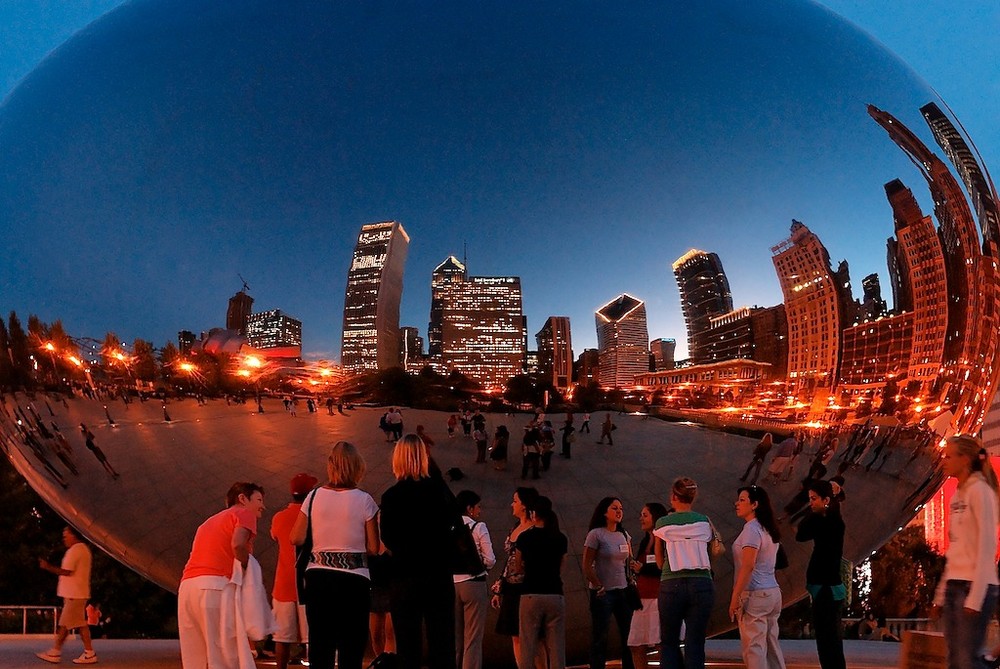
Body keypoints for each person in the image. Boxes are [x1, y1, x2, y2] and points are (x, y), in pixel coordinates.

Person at [290, 443, 379, 669]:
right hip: (354, 581)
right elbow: (373, 547)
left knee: (321, 647)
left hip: (319, 579)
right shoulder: (365, 500)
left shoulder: (313, 496)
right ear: (358, 467)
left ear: (330, 466)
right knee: (352, 647)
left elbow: (296, 537)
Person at [380, 434, 459, 669]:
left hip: (405, 578)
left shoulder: (392, 496)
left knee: (407, 645)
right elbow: (455, 528)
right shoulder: (440, 493)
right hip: (438, 576)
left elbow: (388, 538)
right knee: (442, 643)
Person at [177, 482, 266, 669]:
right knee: (223, 655)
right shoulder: (243, 513)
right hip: (214, 587)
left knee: (194, 657)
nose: (263, 506)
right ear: (242, 498)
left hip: (187, 589)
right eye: (259, 500)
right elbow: (237, 545)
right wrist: (248, 567)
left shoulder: (209, 522)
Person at [931, 434, 1000, 669]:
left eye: (949, 456)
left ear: (965, 459)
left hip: (974, 586)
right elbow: (956, 549)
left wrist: (976, 596)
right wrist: (941, 595)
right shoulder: (958, 495)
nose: (945, 461)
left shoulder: (981, 492)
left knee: (966, 661)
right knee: (955, 661)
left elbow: (986, 546)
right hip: (955, 586)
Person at [653, 477, 716, 669]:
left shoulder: (662, 523)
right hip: (702, 583)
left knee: (669, 642)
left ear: (673, 496)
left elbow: (658, 560)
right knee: (695, 642)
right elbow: (711, 552)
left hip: (671, 583)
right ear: (693, 497)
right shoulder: (704, 521)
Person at [728, 486, 786, 669]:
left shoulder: (752, 530)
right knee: (771, 646)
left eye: (742, 500)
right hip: (772, 592)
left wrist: (735, 597)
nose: (737, 503)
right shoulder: (768, 529)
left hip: (755, 594)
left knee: (754, 648)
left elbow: (748, 566)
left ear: (755, 504)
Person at [795, 479, 846, 669]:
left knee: (828, 641)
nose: (811, 503)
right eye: (810, 499)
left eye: (814, 499)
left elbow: (800, 534)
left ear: (826, 499)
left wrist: (813, 513)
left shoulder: (828, 522)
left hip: (826, 589)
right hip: (827, 588)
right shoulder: (832, 519)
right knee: (830, 641)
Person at [270, 473, 319, 669]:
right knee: (313, 637)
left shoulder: (279, 517)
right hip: (308, 585)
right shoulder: (314, 516)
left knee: (282, 637)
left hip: (283, 585)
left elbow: (275, 536)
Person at [516, 496, 569, 669]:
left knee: (528, 645)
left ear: (533, 514)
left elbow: (518, 567)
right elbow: (562, 567)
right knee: (556, 647)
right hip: (555, 593)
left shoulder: (524, 538)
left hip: (530, 593)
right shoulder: (560, 538)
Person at [583, 497, 635, 669]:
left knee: (629, 635)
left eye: (621, 508)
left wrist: (632, 577)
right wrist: (598, 585)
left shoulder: (623, 534)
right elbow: (587, 564)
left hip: (623, 591)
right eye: (614, 508)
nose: (619, 511)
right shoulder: (596, 534)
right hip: (603, 592)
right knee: (600, 636)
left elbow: (629, 560)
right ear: (604, 512)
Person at [492, 487, 540, 667]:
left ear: (524, 505)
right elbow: (509, 560)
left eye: (515, 501)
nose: (512, 504)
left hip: (528, 587)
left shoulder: (535, 528)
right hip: (511, 587)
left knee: (533, 636)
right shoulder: (515, 527)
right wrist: (500, 588)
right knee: (515, 635)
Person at [36, 526, 97, 665]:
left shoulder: (75, 551)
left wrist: (47, 567)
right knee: (80, 625)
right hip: (78, 594)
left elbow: (66, 571)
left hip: (74, 595)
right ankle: (89, 653)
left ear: (74, 536)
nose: (64, 538)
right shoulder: (84, 549)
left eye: (66, 535)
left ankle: (55, 652)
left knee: (64, 625)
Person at [454, 490, 497, 669]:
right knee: (473, 636)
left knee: (455, 636)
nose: (479, 510)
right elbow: (490, 559)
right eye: (478, 506)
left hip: (452, 583)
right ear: (469, 508)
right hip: (473, 582)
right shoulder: (478, 527)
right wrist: (483, 567)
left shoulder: (448, 527)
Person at [627, 503, 669, 669]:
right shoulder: (645, 541)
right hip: (642, 599)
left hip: (658, 598)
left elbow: (665, 566)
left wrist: (643, 568)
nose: (641, 519)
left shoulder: (664, 540)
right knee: (636, 644)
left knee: (661, 643)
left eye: (645, 515)